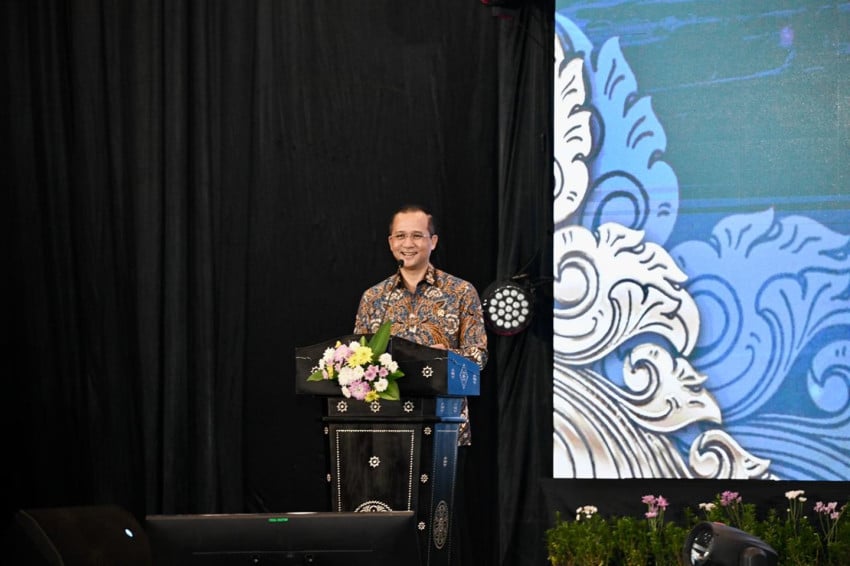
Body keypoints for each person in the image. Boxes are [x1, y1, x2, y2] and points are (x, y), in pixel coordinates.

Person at [353, 204, 487, 565]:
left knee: (439, 524)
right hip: (384, 428)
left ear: (433, 241)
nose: (408, 243)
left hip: (445, 427)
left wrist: (447, 357)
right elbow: (357, 359)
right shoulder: (374, 297)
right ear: (390, 242)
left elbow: (478, 356)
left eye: (417, 235)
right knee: (387, 519)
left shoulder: (460, 292)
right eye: (400, 236)